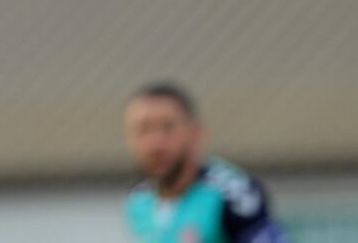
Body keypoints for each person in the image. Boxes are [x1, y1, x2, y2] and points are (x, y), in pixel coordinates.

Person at [123, 82, 289, 243]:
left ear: (195, 133)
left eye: (167, 128)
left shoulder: (232, 194)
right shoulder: (138, 201)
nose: (155, 143)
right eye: (143, 129)